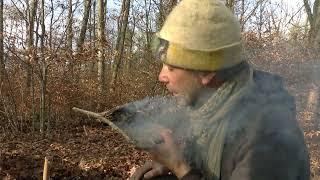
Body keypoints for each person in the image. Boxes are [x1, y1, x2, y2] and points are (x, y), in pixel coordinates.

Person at [129, 0, 310, 179]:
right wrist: (173, 164)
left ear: (207, 73)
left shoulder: (267, 139)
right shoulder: (212, 106)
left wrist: (179, 167)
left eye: (171, 67)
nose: (161, 76)